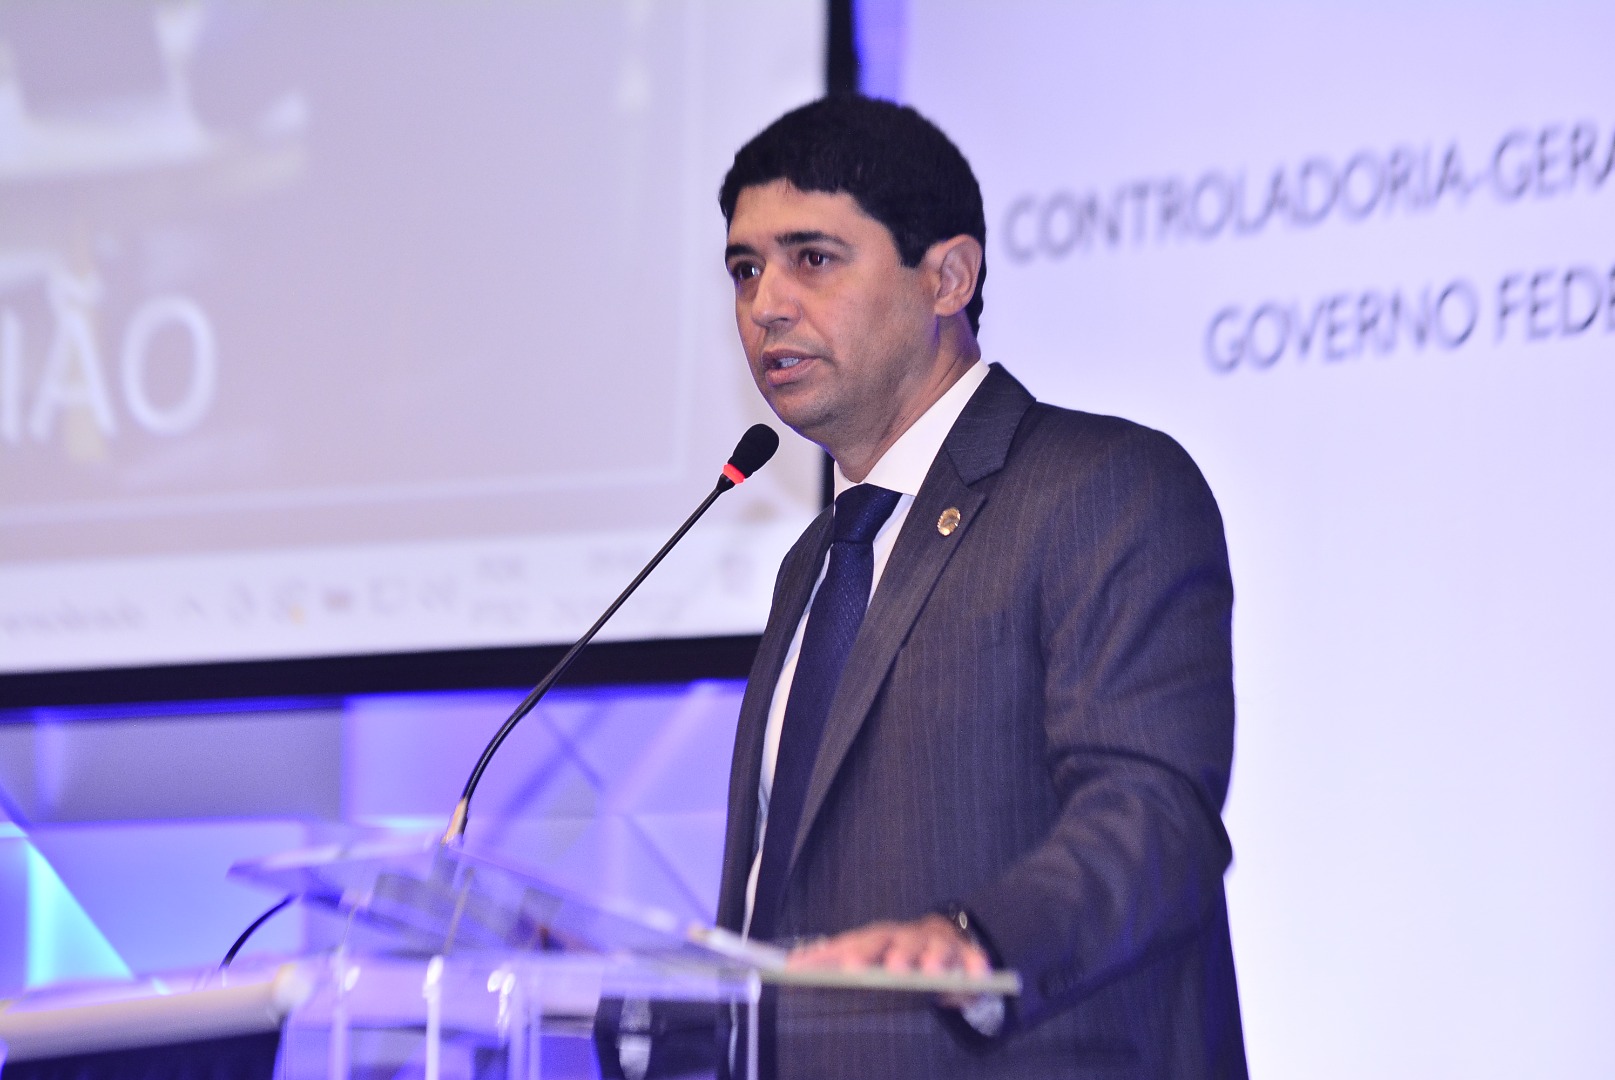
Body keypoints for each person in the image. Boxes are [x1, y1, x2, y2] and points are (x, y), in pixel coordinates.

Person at [715, 96, 1247, 1079]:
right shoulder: (815, 561)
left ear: (947, 277)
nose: (766, 305)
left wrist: (975, 942)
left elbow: (1152, 812)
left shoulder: (1102, 485)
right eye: (745, 269)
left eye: (812, 258)